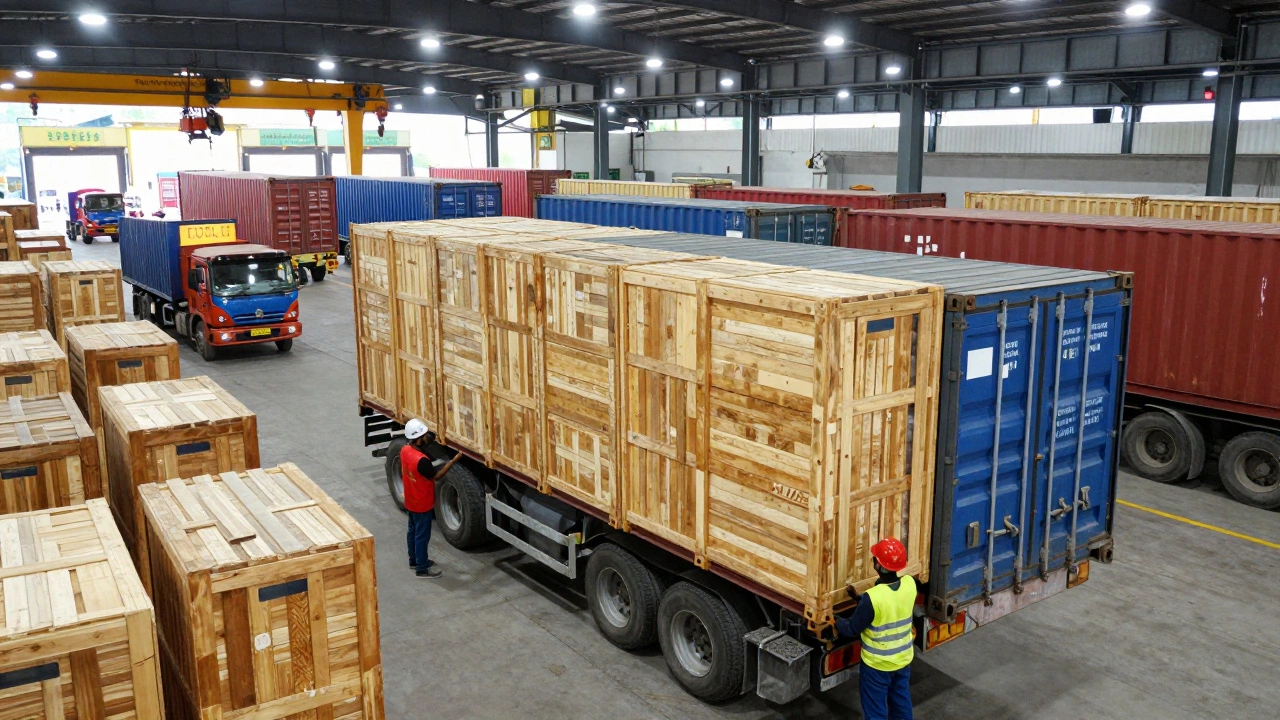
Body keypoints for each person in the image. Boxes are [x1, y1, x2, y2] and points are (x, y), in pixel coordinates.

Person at [836, 537, 916, 720]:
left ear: (878, 565)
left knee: (875, 711)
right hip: (902, 659)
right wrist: (858, 599)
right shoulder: (910, 584)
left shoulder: (872, 598)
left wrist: (835, 621)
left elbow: (851, 628)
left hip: (877, 666)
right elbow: (891, 605)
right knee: (901, 703)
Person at [401, 419, 462, 579]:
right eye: (424, 435)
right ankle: (422, 567)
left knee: (412, 531)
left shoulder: (405, 451)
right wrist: (453, 461)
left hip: (411, 500)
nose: (427, 437)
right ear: (417, 438)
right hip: (422, 503)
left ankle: (413, 560)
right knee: (422, 535)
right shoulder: (421, 461)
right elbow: (437, 475)